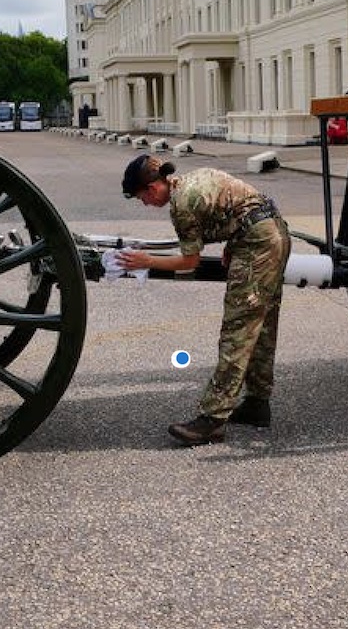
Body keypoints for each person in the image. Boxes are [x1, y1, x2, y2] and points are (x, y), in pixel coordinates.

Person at [118, 154, 291, 446]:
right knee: (260, 327)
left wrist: (146, 261)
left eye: (141, 198)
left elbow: (189, 261)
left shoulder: (181, 204)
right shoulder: (191, 181)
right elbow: (241, 206)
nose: (145, 204)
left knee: (237, 332)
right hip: (272, 233)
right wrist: (235, 242)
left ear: (152, 188)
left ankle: (212, 419)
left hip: (258, 244)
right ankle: (257, 404)